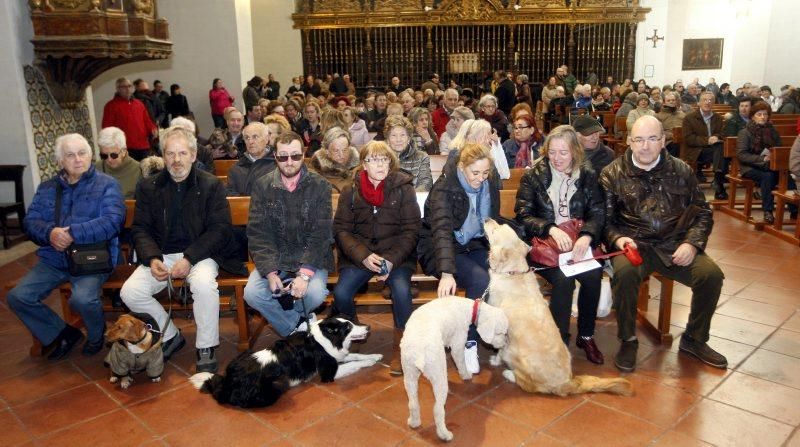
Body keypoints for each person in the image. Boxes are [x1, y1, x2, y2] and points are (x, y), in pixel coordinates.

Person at [599, 115, 728, 373]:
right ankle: (628, 339)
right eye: (639, 139)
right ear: (629, 141)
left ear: (663, 141)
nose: (645, 146)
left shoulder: (681, 170)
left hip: (675, 244)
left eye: (652, 139)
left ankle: (694, 339)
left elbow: (702, 212)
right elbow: (605, 220)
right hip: (635, 244)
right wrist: (618, 238)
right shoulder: (612, 174)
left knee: (711, 276)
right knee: (624, 275)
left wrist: (692, 244)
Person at [120, 126, 243, 374]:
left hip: (201, 254)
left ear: (194, 155)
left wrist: (189, 258)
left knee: (203, 285)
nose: (177, 160)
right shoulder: (148, 186)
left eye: (182, 153)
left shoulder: (210, 185)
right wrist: (152, 257)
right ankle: (170, 335)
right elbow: (141, 228)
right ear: (163, 156)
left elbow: (219, 229)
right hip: (162, 254)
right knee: (130, 292)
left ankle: (206, 346)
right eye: (171, 154)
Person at [7, 134, 125, 360]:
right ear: (60, 161)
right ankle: (61, 334)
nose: (77, 159)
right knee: (18, 296)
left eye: (82, 153)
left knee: (81, 299)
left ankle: (96, 334)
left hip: (92, 258)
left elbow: (112, 222)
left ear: (90, 156)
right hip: (55, 257)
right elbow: (31, 222)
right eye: (70, 155)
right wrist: (50, 233)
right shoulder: (48, 187)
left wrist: (72, 234)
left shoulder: (107, 185)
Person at [514, 125, 605, 363]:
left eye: (563, 153)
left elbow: (597, 211)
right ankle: (559, 340)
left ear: (575, 151)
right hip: (545, 246)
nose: (556, 159)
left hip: (577, 243)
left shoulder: (587, 174)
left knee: (593, 276)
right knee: (564, 281)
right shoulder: (534, 176)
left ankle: (585, 335)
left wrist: (587, 235)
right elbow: (523, 215)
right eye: (552, 152)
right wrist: (550, 228)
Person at [332, 141, 421, 375]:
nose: (380, 164)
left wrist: (390, 260)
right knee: (341, 293)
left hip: (396, 256)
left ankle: (403, 347)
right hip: (360, 256)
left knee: (401, 291)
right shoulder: (351, 191)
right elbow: (341, 230)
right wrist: (363, 256)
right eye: (374, 159)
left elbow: (412, 230)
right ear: (364, 164)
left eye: (384, 159)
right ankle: (353, 330)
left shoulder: (404, 188)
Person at [417, 143, 501, 374]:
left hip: (472, 243)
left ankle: (493, 328)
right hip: (438, 247)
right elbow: (441, 231)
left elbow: (493, 221)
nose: (480, 179)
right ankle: (468, 342)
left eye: (485, 173)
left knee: (499, 273)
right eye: (475, 173)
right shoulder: (444, 188)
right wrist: (446, 273)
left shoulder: (488, 185)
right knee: (480, 280)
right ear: (462, 167)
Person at [244, 132, 333, 337]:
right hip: (277, 258)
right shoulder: (262, 186)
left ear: (304, 154)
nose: (289, 162)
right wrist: (270, 272)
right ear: (275, 156)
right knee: (252, 294)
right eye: (283, 156)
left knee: (315, 293)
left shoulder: (320, 186)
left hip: (310, 259)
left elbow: (321, 234)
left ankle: (288, 321)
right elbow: (258, 233)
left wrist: (304, 274)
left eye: (295, 155)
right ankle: (299, 326)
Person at [737, 102, 798, 224]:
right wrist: (762, 159)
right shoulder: (745, 132)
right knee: (767, 176)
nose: (762, 117)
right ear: (753, 116)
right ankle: (768, 211)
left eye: (765, 114)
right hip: (750, 167)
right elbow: (742, 154)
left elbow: (779, 148)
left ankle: (795, 210)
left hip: (770, 165)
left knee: (787, 177)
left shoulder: (772, 131)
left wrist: (773, 156)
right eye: (759, 114)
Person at [682, 91, 728, 199]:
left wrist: (717, 137)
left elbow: (723, 133)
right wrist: (708, 140)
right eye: (704, 100)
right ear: (699, 103)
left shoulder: (718, 118)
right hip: (696, 151)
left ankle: (717, 181)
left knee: (721, 147)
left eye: (710, 100)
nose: (707, 102)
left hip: (714, 150)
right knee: (721, 151)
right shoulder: (689, 118)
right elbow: (689, 138)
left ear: (713, 103)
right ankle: (719, 184)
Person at [102, 77, 157, 161]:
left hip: (143, 146)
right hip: (125, 148)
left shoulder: (139, 103)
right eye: (124, 87)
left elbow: (147, 121)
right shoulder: (111, 106)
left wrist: (153, 129)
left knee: (146, 172)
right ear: (118, 89)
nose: (127, 89)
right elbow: (107, 128)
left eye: (129, 86)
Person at [226, 122, 277, 196]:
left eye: (255, 137)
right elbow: (232, 197)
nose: (250, 142)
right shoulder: (236, 169)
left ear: (266, 139)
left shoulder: (278, 164)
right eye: (247, 138)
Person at [384, 115, 433, 192]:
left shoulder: (421, 157)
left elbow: (426, 183)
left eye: (402, 135)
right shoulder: (380, 158)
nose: (398, 140)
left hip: (413, 200)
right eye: (393, 135)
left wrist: (409, 197)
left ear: (409, 138)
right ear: (387, 139)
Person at [94, 126, 142, 199]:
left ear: (124, 151)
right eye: (104, 155)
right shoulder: (95, 169)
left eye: (113, 155)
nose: (109, 159)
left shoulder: (139, 170)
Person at [309, 126, 360, 192]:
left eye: (345, 150)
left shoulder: (359, 168)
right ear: (327, 151)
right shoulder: (317, 172)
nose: (341, 155)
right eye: (336, 151)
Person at [655, 91, 686, 158]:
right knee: (675, 145)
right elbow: (657, 132)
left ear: (676, 101)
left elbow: (688, 128)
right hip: (667, 142)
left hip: (683, 140)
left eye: (673, 100)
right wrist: (672, 135)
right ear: (664, 102)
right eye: (668, 100)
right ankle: (673, 166)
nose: (671, 102)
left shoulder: (683, 115)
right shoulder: (658, 116)